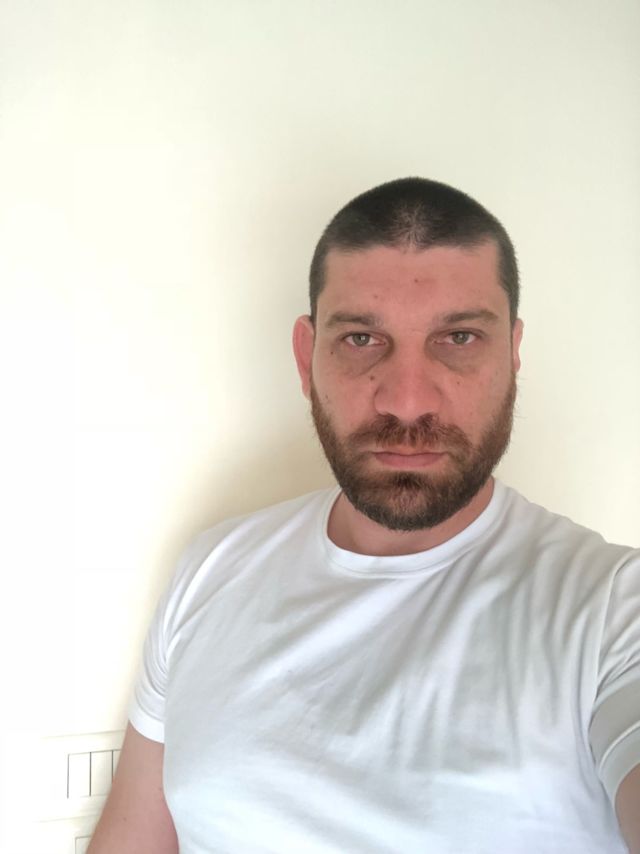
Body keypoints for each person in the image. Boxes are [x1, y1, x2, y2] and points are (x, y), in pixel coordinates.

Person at [88, 178, 640, 854]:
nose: (407, 402)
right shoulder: (212, 569)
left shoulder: (612, 610)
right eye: (361, 339)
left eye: (459, 337)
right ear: (306, 358)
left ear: (513, 355)